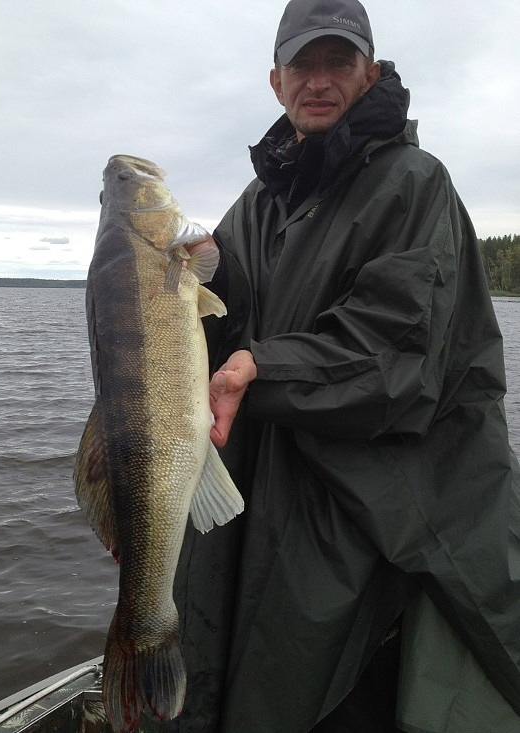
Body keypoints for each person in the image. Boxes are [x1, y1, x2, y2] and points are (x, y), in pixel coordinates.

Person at [165, 1, 520, 730]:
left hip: (374, 511)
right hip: (267, 490)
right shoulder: (257, 203)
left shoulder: (414, 184)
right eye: (303, 64)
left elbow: (392, 359)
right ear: (275, 81)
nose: (319, 81)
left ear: (371, 75)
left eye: (339, 63)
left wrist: (261, 367)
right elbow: (226, 320)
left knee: (327, 689)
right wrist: (167, 290)